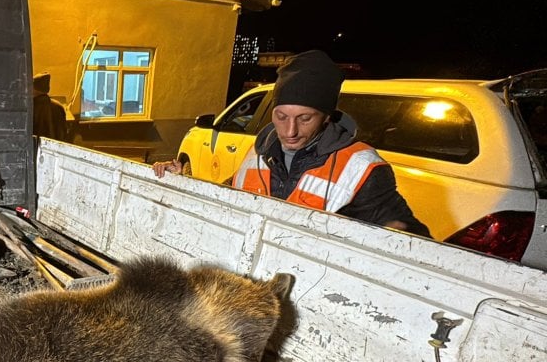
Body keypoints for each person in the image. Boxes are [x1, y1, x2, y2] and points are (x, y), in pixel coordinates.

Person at [154, 50, 430, 237]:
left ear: (326, 117)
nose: (290, 131)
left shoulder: (361, 166)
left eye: (305, 118)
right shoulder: (260, 151)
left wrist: (395, 234)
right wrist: (186, 183)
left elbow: (410, 239)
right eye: (281, 116)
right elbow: (229, 198)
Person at [32, 72, 68, 141]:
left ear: (34, 89)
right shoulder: (58, 106)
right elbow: (63, 132)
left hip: (37, 147)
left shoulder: (32, 106)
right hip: (55, 147)